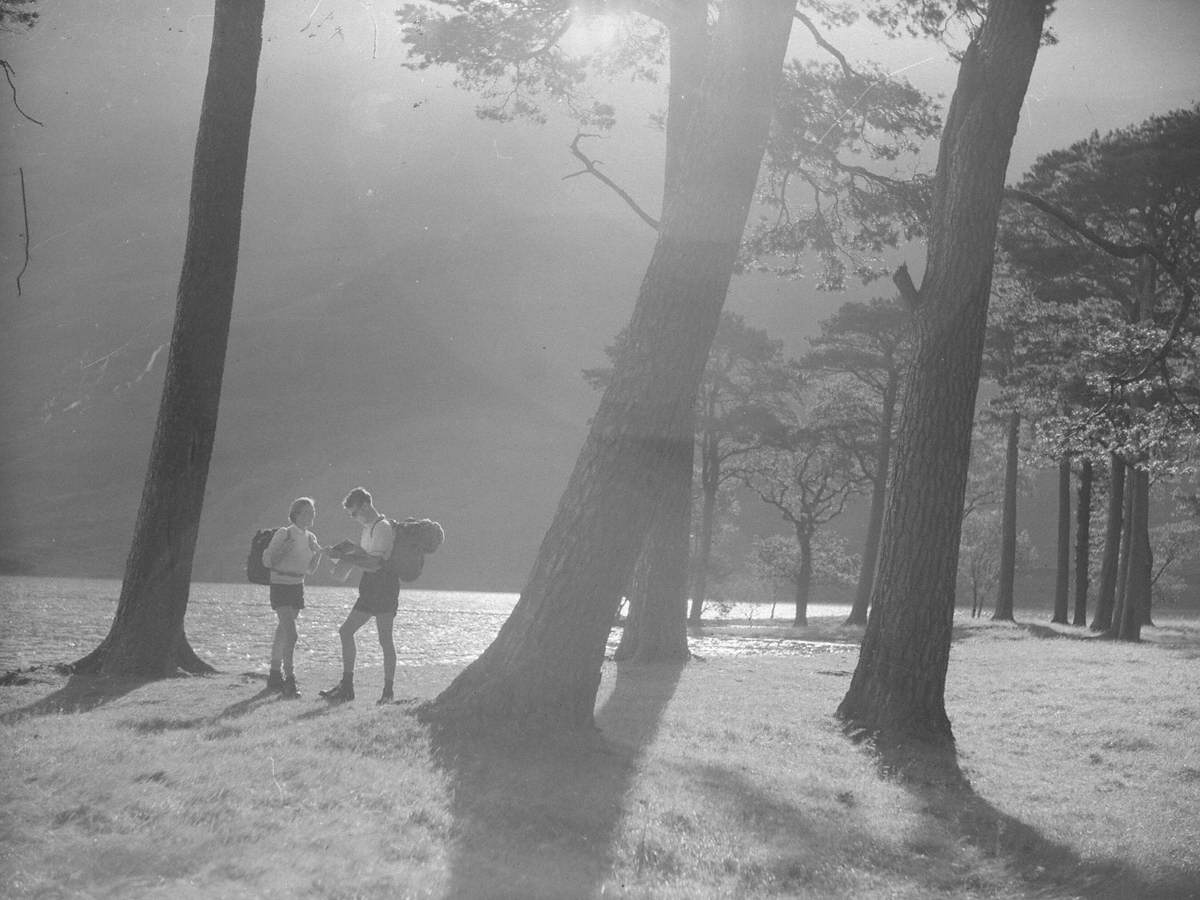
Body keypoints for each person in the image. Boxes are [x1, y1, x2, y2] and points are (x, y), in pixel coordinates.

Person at [320, 486, 400, 704]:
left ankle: (387, 692)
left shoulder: (382, 527)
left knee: (385, 640)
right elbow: (366, 557)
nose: (353, 517)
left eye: (354, 512)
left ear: (365, 505)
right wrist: (343, 553)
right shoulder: (367, 528)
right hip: (369, 588)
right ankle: (347, 687)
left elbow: (375, 563)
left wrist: (345, 557)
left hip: (384, 588)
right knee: (346, 631)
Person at [262, 496, 324, 698]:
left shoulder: (310, 537)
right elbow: (268, 561)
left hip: (298, 586)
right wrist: (284, 550)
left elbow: (311, 570)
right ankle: (290, 680)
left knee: (283, 631)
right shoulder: (285, 533)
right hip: (280, 585)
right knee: (292, 633)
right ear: (295, 514)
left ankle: (273, 675)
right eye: (306, 512)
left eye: (312, 512)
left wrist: (318, 553)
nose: (311, 515)